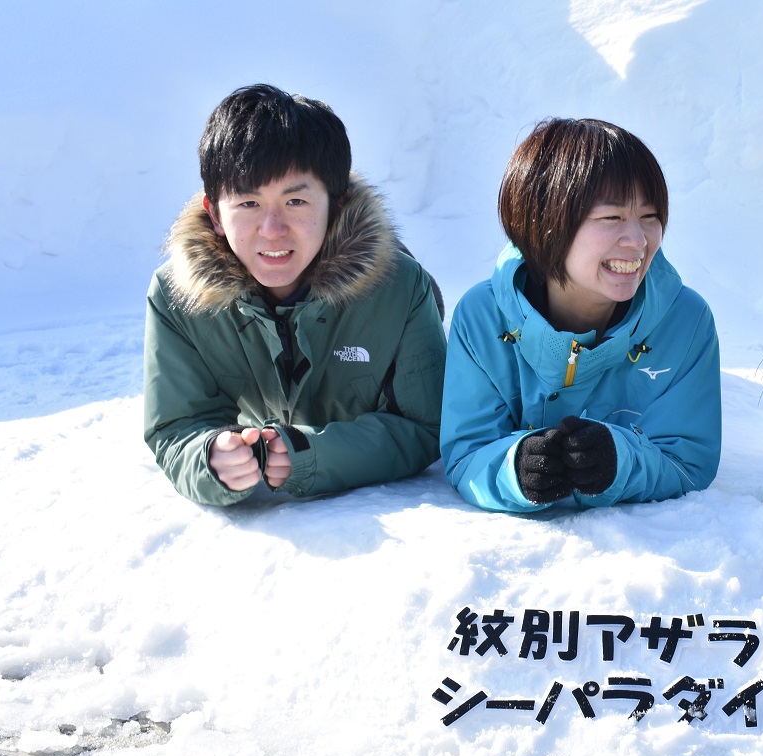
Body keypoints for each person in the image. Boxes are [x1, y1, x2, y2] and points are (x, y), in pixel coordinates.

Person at [144, 84, 446, 506]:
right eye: (248, 203)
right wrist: (210, 459)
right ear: (215, 215)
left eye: (296, 201)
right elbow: (177, 425)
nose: (272, 230)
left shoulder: (400, 287)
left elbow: (425, 426)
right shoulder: (178, 296)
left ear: (335, 205)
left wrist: (313, 454)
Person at [440, 117, 721, 512]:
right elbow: (468, 450)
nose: (639, 241)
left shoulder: (685, 322)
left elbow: (689, 462)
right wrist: (515, 467)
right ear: (546, 221)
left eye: (650, 216)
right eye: (612, 218)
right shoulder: (483, 317)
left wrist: (619, 460)